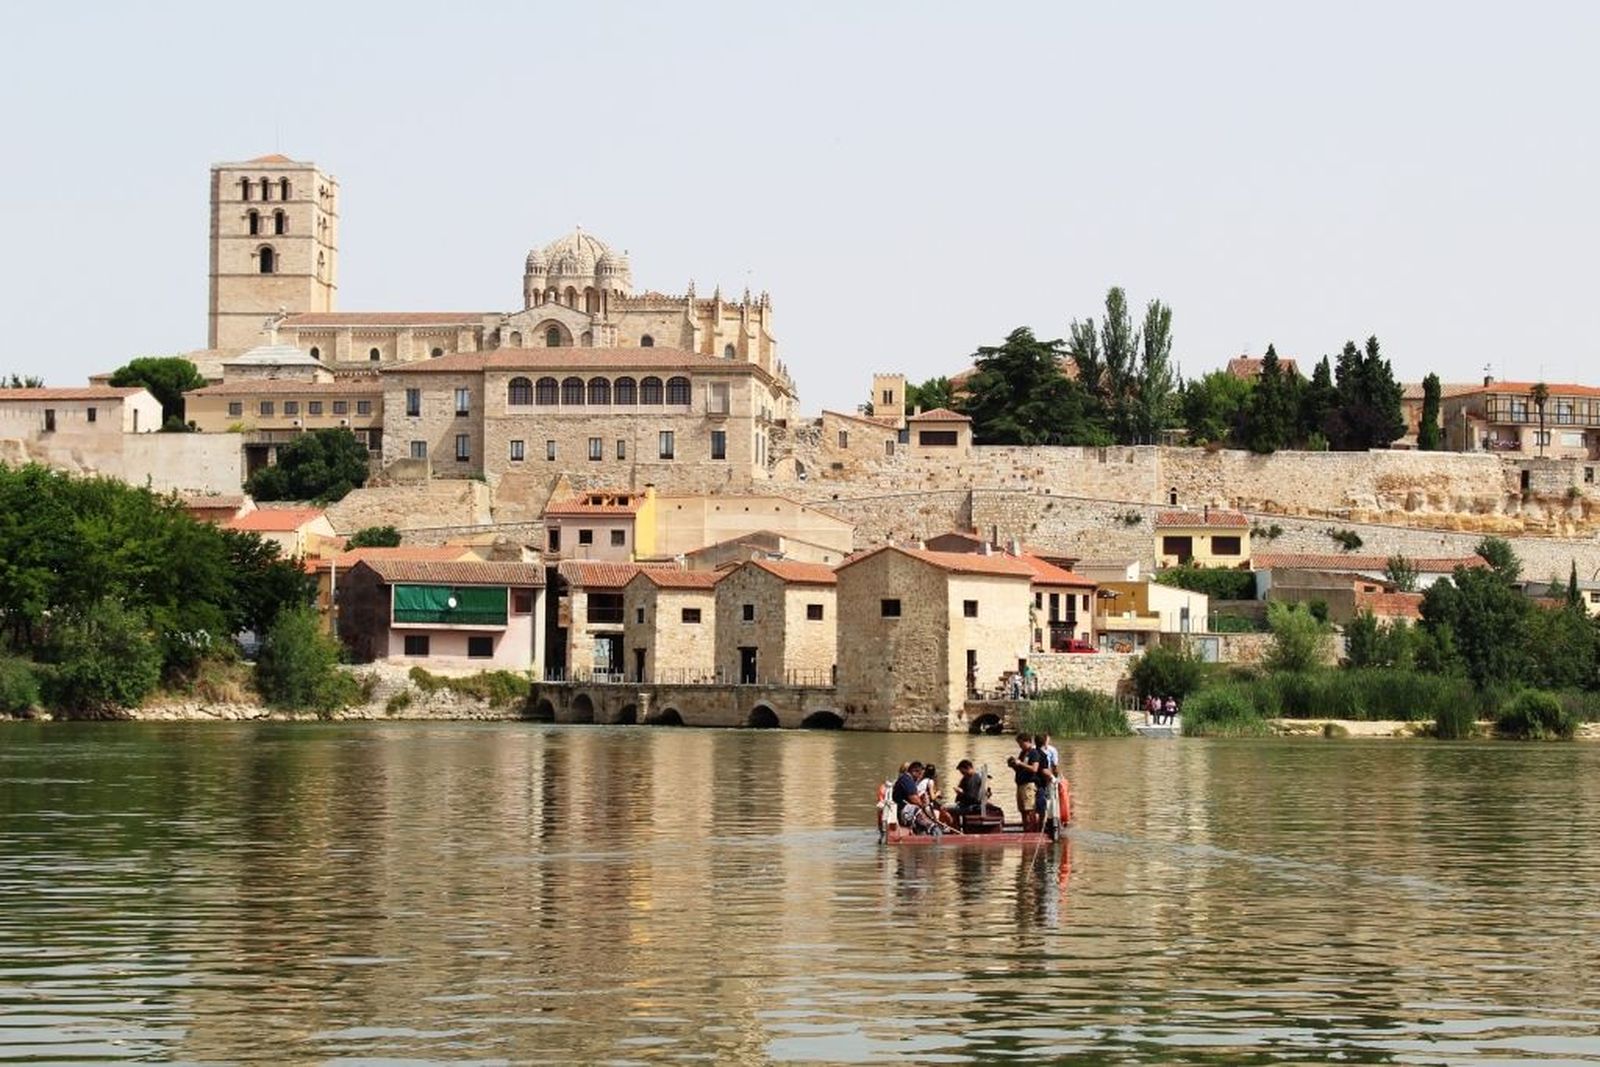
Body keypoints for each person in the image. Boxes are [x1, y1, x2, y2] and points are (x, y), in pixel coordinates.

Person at [1006, 733, 1042, 831]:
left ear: (1027, 741)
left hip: (1028, 785)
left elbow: (1035, 769)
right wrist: (1013, 765)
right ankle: (1026, 829)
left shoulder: (1033, 753)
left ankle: (1033, 830)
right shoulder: (1023, 753)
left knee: (1030, 809)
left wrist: (1020, 763)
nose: (1020, 746)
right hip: (1020, 784)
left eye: (1021, 743)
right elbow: (1020, 769)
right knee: (1022, 810)